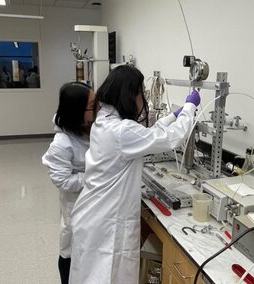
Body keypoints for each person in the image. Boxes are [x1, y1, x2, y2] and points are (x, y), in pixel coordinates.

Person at [69, 65, 201, 284]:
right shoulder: (121, 131)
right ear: (130, 95)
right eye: (141, 92)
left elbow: (149, 135)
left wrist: (172, 116)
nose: (144, 100)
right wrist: (189, 108)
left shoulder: (105, 121)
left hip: (93, 214)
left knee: (92, 276)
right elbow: (170, 139)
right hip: (106, 223)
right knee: (105, 276)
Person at [42, 82, 96, 284]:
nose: (97, 110)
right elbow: (63, 180)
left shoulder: (87, 128)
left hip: (93, 202)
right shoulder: (61, 144)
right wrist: (95, 178)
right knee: (70, 251)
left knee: (89, 252)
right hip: (75, 206)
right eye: (92, 106)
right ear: (77, 111)